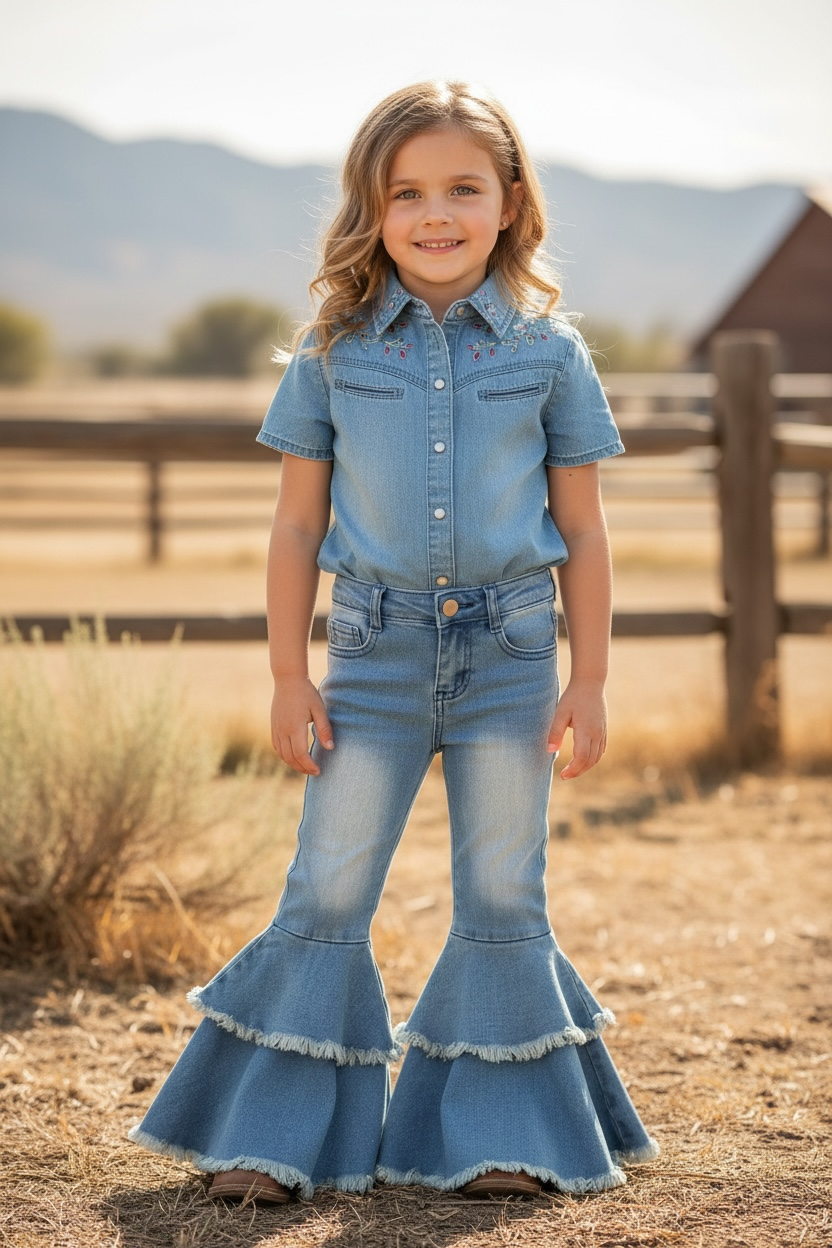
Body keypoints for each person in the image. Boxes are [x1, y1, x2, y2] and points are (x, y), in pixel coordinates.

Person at [129, 79, 659, 1204]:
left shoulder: (551, 354)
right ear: (371, 209)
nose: (435, 214)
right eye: (405, 192)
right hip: (369, 658)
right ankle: (271, 1143)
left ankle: (496, 1139)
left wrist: (591, 680)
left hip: (512, 658)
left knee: (503, 901)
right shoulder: (330, 352)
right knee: (325, 895)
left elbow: (583, 529)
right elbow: (293, 524)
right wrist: (286, 674)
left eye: (462, 189)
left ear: (511, 203)